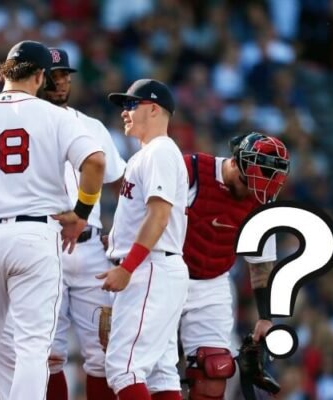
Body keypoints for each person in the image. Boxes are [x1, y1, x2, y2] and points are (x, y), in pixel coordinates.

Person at [0, 40, 106, 400]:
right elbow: (95, 163)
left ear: (5, 72)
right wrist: (81, 214)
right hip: (33, 235)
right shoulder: (54, 116)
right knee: (31, 346)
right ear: (41, 75)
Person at [0, 47, 127, 400]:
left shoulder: (90, 125)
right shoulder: (15, 120)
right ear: (37, 76)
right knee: (46, 355)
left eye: (66, 74)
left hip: (89, 248)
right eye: (55, 74)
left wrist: (119, 236)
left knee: (103, 352)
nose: (63, 80)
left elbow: (122, 183)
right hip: (40, 245)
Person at [179, 132, 290, 400]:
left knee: (215, 370)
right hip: (166, 273)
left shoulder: (262, 201)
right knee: (151, 367)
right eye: (246, 182)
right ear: (234, 162)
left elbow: (262, 264)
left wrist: (265, 317)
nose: (250, 192)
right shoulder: (189, 170)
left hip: (213, 283)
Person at [99, 79, 189, 400]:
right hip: (158, 267)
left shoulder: (161, 151)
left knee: (124, 369)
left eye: (131, 105)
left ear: (153, 108)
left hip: (149, 268)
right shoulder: (149, 154)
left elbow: (159, 216)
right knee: (161, 373)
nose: (124, 112)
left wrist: (127, 267)